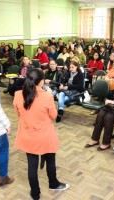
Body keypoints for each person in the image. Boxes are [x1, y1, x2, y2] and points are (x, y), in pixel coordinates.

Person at [14, 68, 70, 200]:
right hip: (45, 135)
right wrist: (49, 94)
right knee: (50, 160)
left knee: (31, 165)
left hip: (28, 135)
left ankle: (35, 193)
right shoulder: (46, 96)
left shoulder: (17, 94)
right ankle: (53, 184)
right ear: (40, 82)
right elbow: (54, 115)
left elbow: (18, 114)